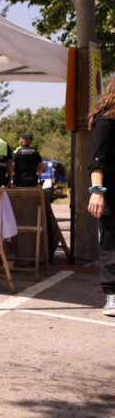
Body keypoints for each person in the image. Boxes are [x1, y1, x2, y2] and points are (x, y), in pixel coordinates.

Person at [88, 75, 115, 316]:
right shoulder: (106, 121)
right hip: (111, 192)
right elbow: (97, 161)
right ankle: (112, 295)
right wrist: (97, 192)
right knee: (111, 242)